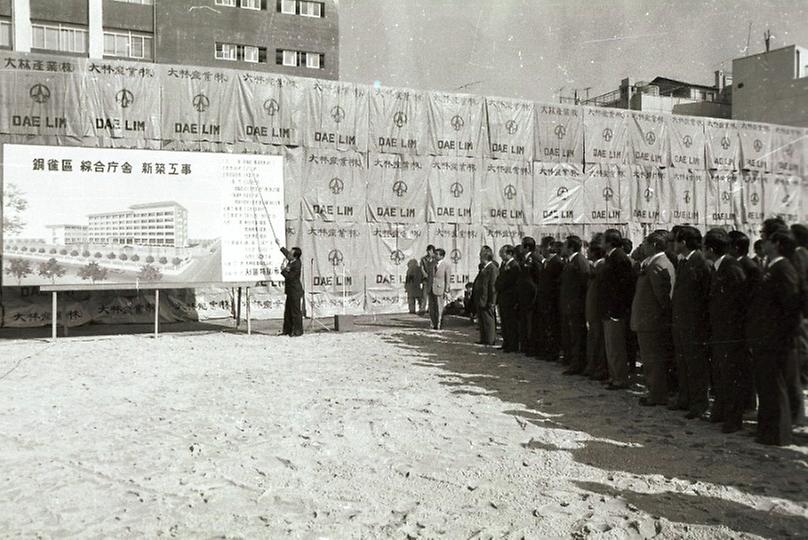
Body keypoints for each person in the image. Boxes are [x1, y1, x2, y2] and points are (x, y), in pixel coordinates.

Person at [747, 224, 802, 445]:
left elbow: (790, 308)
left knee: (775, 387)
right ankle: (767, 431)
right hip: (766, 338)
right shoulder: (772, 267)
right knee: (766, 387)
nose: (762, 243)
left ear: (777, 244)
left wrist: (783, 338)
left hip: (776, 340)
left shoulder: (783, 269)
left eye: (766, 239)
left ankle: (779, 435)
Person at [703, 228, 748, 433]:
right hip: (720, 332)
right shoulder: (719, 267)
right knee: (720, 375)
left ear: (711, 249)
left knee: (731, 377)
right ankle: (721, 413)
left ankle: (733, 419)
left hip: (731, 334)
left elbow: (741, 304)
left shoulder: (731, 269)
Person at [671, 226, 712, 419]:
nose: (674, 244)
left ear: (684, 242)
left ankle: (699, 403)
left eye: (676, 241)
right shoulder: (684, 262)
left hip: (695, 326)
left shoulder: (700, 263)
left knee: (696, 366)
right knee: (683, 363)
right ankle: (685, 398)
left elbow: (705, 297)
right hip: (682, 324)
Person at [631, 230, 675, 407]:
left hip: (652, 322)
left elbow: (663, 298)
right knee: (650, 360)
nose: (643, 247)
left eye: (646, 243)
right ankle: (654, 392)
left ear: (655, 246)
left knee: (653, 360)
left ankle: (656, 395)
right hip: (648, 321)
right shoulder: (653, 263)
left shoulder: (658, 264)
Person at [729, 229, 762, 411]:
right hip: (738, 323)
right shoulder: (738, 264)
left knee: (745, 365)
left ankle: (748, 403)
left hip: (745, 324)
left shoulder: (749, 267)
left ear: (735, 247)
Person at [598, 229, 634, 389]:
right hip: (608, 309)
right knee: (611, 347)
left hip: (615, 311)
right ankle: (614, 376)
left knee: (616, 347)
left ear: (610, 242)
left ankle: (620, 378)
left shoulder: (619, 258)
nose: (601, 243)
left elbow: (623, 288)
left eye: (603, 239)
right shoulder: (611, 257)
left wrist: (616, 311)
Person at [560, 235, 589, 375]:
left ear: (571, 247)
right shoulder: (570, 261)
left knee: (577, 336)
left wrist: (576, 305)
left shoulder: (579, 261)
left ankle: (577, 365)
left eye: (565, 245)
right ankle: (573, 362)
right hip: (569, 305)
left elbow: (583, 285)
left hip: (576, 307)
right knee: (571, 336)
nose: (563, 248)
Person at [584, 233, 608, 381]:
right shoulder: (596, 267)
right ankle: (594, 367)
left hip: (597, 311)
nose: (586, 253)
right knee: (594, 340)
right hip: (593, 311)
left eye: (588, 251)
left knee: (598, 342)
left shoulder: (601, 266)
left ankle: (600, 369)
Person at [537, 239, 564, 361]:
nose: (541, 249)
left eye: (543, 246)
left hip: (552, 301)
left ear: (549, 247)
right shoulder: (546, 262)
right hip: (545, 300)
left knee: (553, 327)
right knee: (546, 326)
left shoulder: (556, 262)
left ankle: (553, 352)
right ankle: (547, 350)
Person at [790, 223, 808, 387]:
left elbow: (802, 284)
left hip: (802, 311)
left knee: (802, 345)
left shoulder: (799, 254)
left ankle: (803, 379)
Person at [495, 244, 520, 352]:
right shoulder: (503, 264)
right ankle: (506, 342)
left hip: (510, 298)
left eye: (503, 252)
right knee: (504, 321)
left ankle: (512, 345)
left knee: (510, 323)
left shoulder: (514, 266)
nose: (500, 254)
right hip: (502, 297)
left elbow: (511, 282)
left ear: (509, 253)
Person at [473, 246, 498, 345]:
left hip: (487, 299)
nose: (479, 258)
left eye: (481, 256)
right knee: (482, 320)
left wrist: (492, 301)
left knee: (488, 320)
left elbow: (493, 286)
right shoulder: (484, 268)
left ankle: (490, 340)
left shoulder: (492, 268)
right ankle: (484, 338)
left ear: (485, 257)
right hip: (481, 298)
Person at [278, 243, 304, 337]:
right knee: (288, 311)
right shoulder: (292, 260)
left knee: (295, 312)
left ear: (295, 256)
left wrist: (283, 270)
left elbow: (290, 277)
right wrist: (280, 246)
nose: (288, 254)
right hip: (290, 291)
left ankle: (297, 331)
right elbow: (286, 253)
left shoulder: (297, 264)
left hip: (295, 291)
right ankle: (287, 330)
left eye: (291, 253)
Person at [429, 248, 450, 330]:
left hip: (440, 288)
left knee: (439, 307)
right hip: (431, 288)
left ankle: (439, 324)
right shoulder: (431, 264)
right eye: (435, 254)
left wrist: (446, 290)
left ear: (442, 256)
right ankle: (432, 324)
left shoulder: (446, 265)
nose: (435, 255)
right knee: (431, 307)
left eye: (437, 254)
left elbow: (447, 279)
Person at [420, 245, 435, 315]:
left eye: (431, 251)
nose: (429, 252)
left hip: (434, 280)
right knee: (424, 295)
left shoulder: (435, 259)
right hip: (426, 280)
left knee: (432, 296)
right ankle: (422, 309)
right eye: (428, 251)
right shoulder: (423, 259)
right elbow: (422, 268)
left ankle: (431, 309)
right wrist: (425, 274)